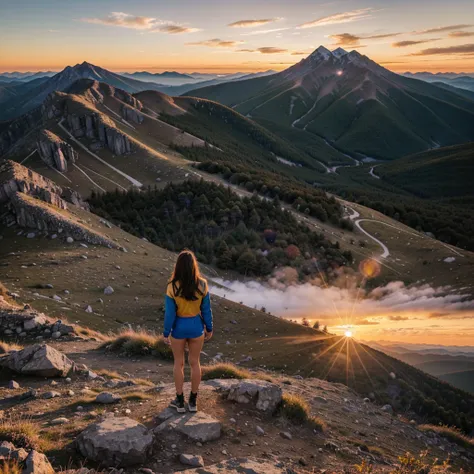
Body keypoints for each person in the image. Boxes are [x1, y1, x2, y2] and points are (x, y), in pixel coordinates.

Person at [163, 250, 213, 412]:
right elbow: (206, 310)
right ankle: (193, 401)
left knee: (179, 363)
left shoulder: (172, 286)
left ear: (178, 266)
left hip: (178, 327)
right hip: (196, 328)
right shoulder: (203, 284)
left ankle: (179, 401)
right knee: (195, 363)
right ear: (194, 266)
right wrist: (209, 327)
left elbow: (170, 314)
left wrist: (166, 332)